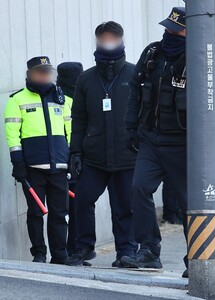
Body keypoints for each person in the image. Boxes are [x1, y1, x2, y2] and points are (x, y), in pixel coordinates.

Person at [121, 7, 188, 272]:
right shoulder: (152, 53)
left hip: (183, 143)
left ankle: (197, 257)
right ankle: (148, 250)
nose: (169, 33)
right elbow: (135, 93)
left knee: (189, 203)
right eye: (167, 28)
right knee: (139, 188)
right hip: (151, 139)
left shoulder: (197, 56)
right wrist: (130, 129)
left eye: (176, 29)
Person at [66, 22, 137, 267]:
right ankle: (83, 248)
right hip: (93, 156)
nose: (108, 41)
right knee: (83, 199)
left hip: (127, 154)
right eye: (104, 38)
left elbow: (145, 114)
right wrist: (75, 151)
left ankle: (126, 251)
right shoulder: (86, 79)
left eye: (112, 38)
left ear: (121, 39)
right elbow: (79, 118)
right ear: (97, 40)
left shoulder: (134, 74)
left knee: (124, 206)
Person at [4, 56, 72, 264]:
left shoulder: (63, 99)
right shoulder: (17, 100)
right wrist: (18, 164)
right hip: (33, 168)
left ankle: (60, 254)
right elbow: (12, 135)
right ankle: (39, 254)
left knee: (60, 213)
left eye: (47, 72)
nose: (44, 75)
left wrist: (73, 158)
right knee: (35, 213)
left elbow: (70, 132)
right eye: (39, 72)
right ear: (29, 74)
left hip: (59, 167)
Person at [56, 62, 84, 257]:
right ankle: (66, 250)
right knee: (65, 209)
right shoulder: (58, 99)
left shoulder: (82, 96)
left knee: (76, 207)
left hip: (78, 158)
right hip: (66, 159)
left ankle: (75, 249)